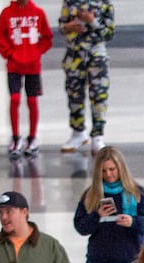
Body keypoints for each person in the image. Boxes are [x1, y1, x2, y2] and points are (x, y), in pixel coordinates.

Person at [0, 0, 53, 158]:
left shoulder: (39, 13)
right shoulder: (6, 14)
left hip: (33, 66)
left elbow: (47, 37)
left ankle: (32, 138)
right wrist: (10, 54)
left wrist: (36, 52)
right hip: (14, 66)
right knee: (15, 99)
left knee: (32, 100)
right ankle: (15, 137)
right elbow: (1, 37)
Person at [57, 1, 113, 155]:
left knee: (99, 95)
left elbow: (109, 33)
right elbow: (61, 26)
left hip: (97, 55)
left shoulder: (105, 3)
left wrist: (92, 21)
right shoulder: (69, 2)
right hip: (74, 54)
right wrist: (69, 27)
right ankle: (78, 132)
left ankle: (98, 135)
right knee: (74, 94)